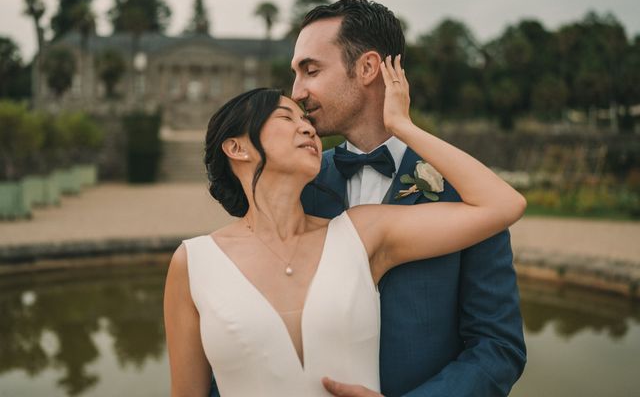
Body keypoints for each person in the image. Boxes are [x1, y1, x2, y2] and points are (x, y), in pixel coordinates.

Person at [163, 55, 527, 396]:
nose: (307, 126)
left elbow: (505, 204)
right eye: (287, 117)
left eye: (306, 119)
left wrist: (402, 126)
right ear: (237, 148)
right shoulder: (193, 263)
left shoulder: (359, 233)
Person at [292, 0, 527, 397]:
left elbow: (497, 347)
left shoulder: (466, 189)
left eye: (310, 71)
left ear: (367, 69)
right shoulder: (299, 183)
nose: (296, 92)